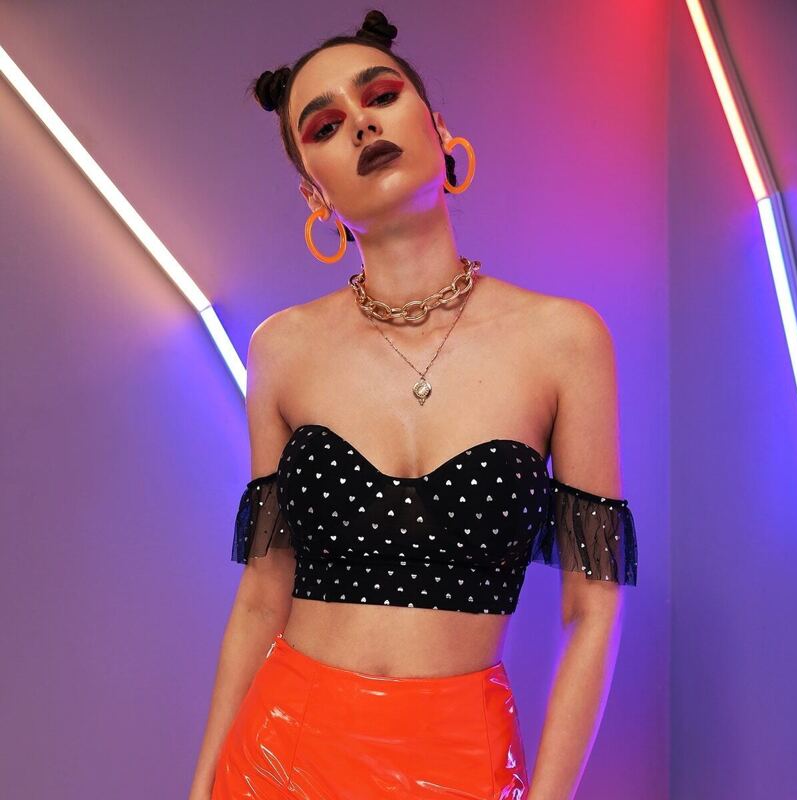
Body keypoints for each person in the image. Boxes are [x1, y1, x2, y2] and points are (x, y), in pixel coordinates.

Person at [190, 9, 638, 800]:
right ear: (314, 193)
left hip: (463, 763)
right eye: (326, 125)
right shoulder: (281, 349)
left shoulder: (565, 341)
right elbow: (261, 598)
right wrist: (200, 790)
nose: (362, 124)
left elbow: (592, 611)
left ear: (438, 128)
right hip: (277, 761)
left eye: (381, 96)